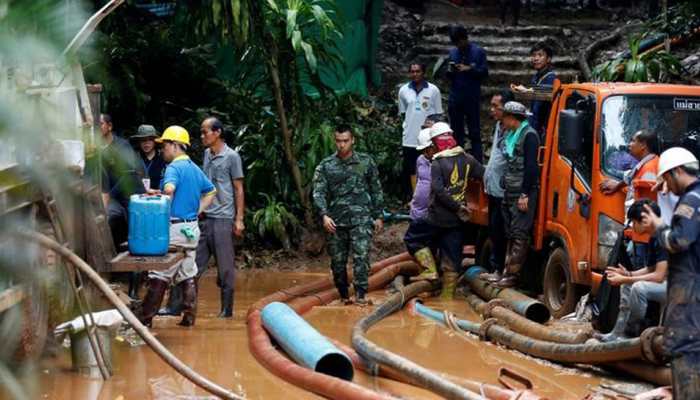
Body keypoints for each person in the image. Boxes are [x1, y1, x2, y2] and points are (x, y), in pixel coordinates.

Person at [139, 126, 216, 328]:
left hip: (174, 230)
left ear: (174, 145)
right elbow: (211, 191)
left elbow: (171, 189)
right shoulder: (193, 167)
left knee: (159, 273)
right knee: (187, 271)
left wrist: (163, 197)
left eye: (164, 146)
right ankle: (189, 318)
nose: (163, 150)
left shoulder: (173, 168)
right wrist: (197, 210)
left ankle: (144, 320)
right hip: (191, 229)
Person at [641, 147, 700, 398]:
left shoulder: (692, 200)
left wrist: (657, 226)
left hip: (690, 292)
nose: (665, 185)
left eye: (666, 178)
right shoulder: (694, 197)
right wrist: (667, 200)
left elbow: (679, 240)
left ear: (677, 171)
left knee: (685, 349)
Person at [312, 125, 384, 306]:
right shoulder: (326, 166)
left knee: (362, 257)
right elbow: (318, 193)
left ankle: (360, 296)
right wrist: (324, 215)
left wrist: (378, 215)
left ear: (353, 140)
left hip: (361, 219)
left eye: (345, 141)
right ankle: (344, 296)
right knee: (337, 263)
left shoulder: (366, 162)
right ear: (334, 141)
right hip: (336, 221)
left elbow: (376, 189)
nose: (342, 145)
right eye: (338, 141)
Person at [412, 122, 484, 300]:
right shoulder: (468, 159)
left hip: (437, 217)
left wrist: (455, 206)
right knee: (452, 259)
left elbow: (438, 190)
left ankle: (429, 271)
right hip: (457, 220)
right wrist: (461, 206)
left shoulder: (438, 162)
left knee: (413, 239)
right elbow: (483, 175)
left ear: (437, 143)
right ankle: (447, 301)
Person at [196, 117, 245, 318]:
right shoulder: (207, 154)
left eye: (205, 132)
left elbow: (238, 188)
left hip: (224, 218)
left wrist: (239, 219)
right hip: (206, 217)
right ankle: (182, 306)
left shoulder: (232, 157)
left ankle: (227, 310)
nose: (202, 136)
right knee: (193, 265)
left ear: (217, 133)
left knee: (225, 267)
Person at [598, 199, 667, 342]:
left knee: (638, 288)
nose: (633, 227)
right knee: (628, 286)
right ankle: (617, 334)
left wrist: (626, 278)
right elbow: (651, 268)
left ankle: (632, 334)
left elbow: (659, 276)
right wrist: (628, 274)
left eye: (634, 222)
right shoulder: (654, 236)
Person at [492, 102, 540, 288]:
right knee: (510, 232)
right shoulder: (510, 135)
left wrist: (525, 194)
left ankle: (512, 276)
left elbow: (531, 168)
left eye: (504, 117)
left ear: (512, 118)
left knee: (520, 233)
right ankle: (505, 271)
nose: (502, 121)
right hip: (509, 189)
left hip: (522, 190)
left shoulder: (529, 136)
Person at [600, 129, 659, 269]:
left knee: (641, 277)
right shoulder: (644, 165)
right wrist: (618, 185)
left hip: (645, 236)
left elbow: (646, 199)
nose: (629, 144)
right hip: (641, 234)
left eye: (633, 141)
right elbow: (631, 178)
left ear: (643, 145)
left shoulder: (650, 169)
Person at [480, 90, 514, 281]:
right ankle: (496, 269)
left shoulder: (513, 132)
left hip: (504, 191)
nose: (492, 110)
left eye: (496, 107)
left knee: (501, 231)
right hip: (493, 188)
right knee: (494, 229)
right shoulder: (498, 127)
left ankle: (501, 270)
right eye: (491, 105)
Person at [99, 113, 146, 249]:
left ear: (109, 126)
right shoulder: (95, 149)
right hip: (107, 195)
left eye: (100, 124)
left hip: (124, 195)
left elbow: (128, 175)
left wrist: (109, 195)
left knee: (115, 217)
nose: (97, 128)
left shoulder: (122, 146)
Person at [398, 62, 443, 197]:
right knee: (410, 169)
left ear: (424, 73)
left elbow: (437, 113)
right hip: (409, 138)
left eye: (418, 71)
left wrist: (432, 123)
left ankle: (428, 198)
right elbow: (403, 113)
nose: (415, 74)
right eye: (412, 71)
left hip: (427, 139)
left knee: (428, 168)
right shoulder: (403, 91)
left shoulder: (433, 90)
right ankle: (410, 198)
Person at [446, 25, 488, 162]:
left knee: (474, 133)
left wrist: (469, 69)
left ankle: (478, 166)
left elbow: (484, 73)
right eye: (455, 43)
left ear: (465, 38)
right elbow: (448, 76)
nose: (458, 45)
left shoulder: (478, 52)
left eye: (459, 42)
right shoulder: (453, 52)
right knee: (456, 134)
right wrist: (451, 71)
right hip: (455, 98)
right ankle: (457, 164)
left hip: (472, 98)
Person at [403, 128, 438, 273]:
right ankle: (429, 272)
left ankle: (430, 270)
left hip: (430, 212)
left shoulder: (441, 163)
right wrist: (414, 199)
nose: (424, 153)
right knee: (422, 242)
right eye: (422, 150)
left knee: (413, 240)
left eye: (426, 149)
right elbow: (419, 181)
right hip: (417, 210)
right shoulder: (421, 160)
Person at [528, 42, 557, 136]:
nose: (536, 58)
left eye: (540, 55)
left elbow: (540, 104)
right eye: (533, 55)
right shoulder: (536, 77)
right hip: (535, 122)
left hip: (544, 126)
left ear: (548, 59)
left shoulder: (550, 78)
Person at [131, 124, 167, 191]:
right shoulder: (133, 158)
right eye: (143, 140)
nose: (146, 143)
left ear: (155, 141)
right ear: (139, 142)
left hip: (158, 198)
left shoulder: (163, 158)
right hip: (137, 198)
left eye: (150, 140)